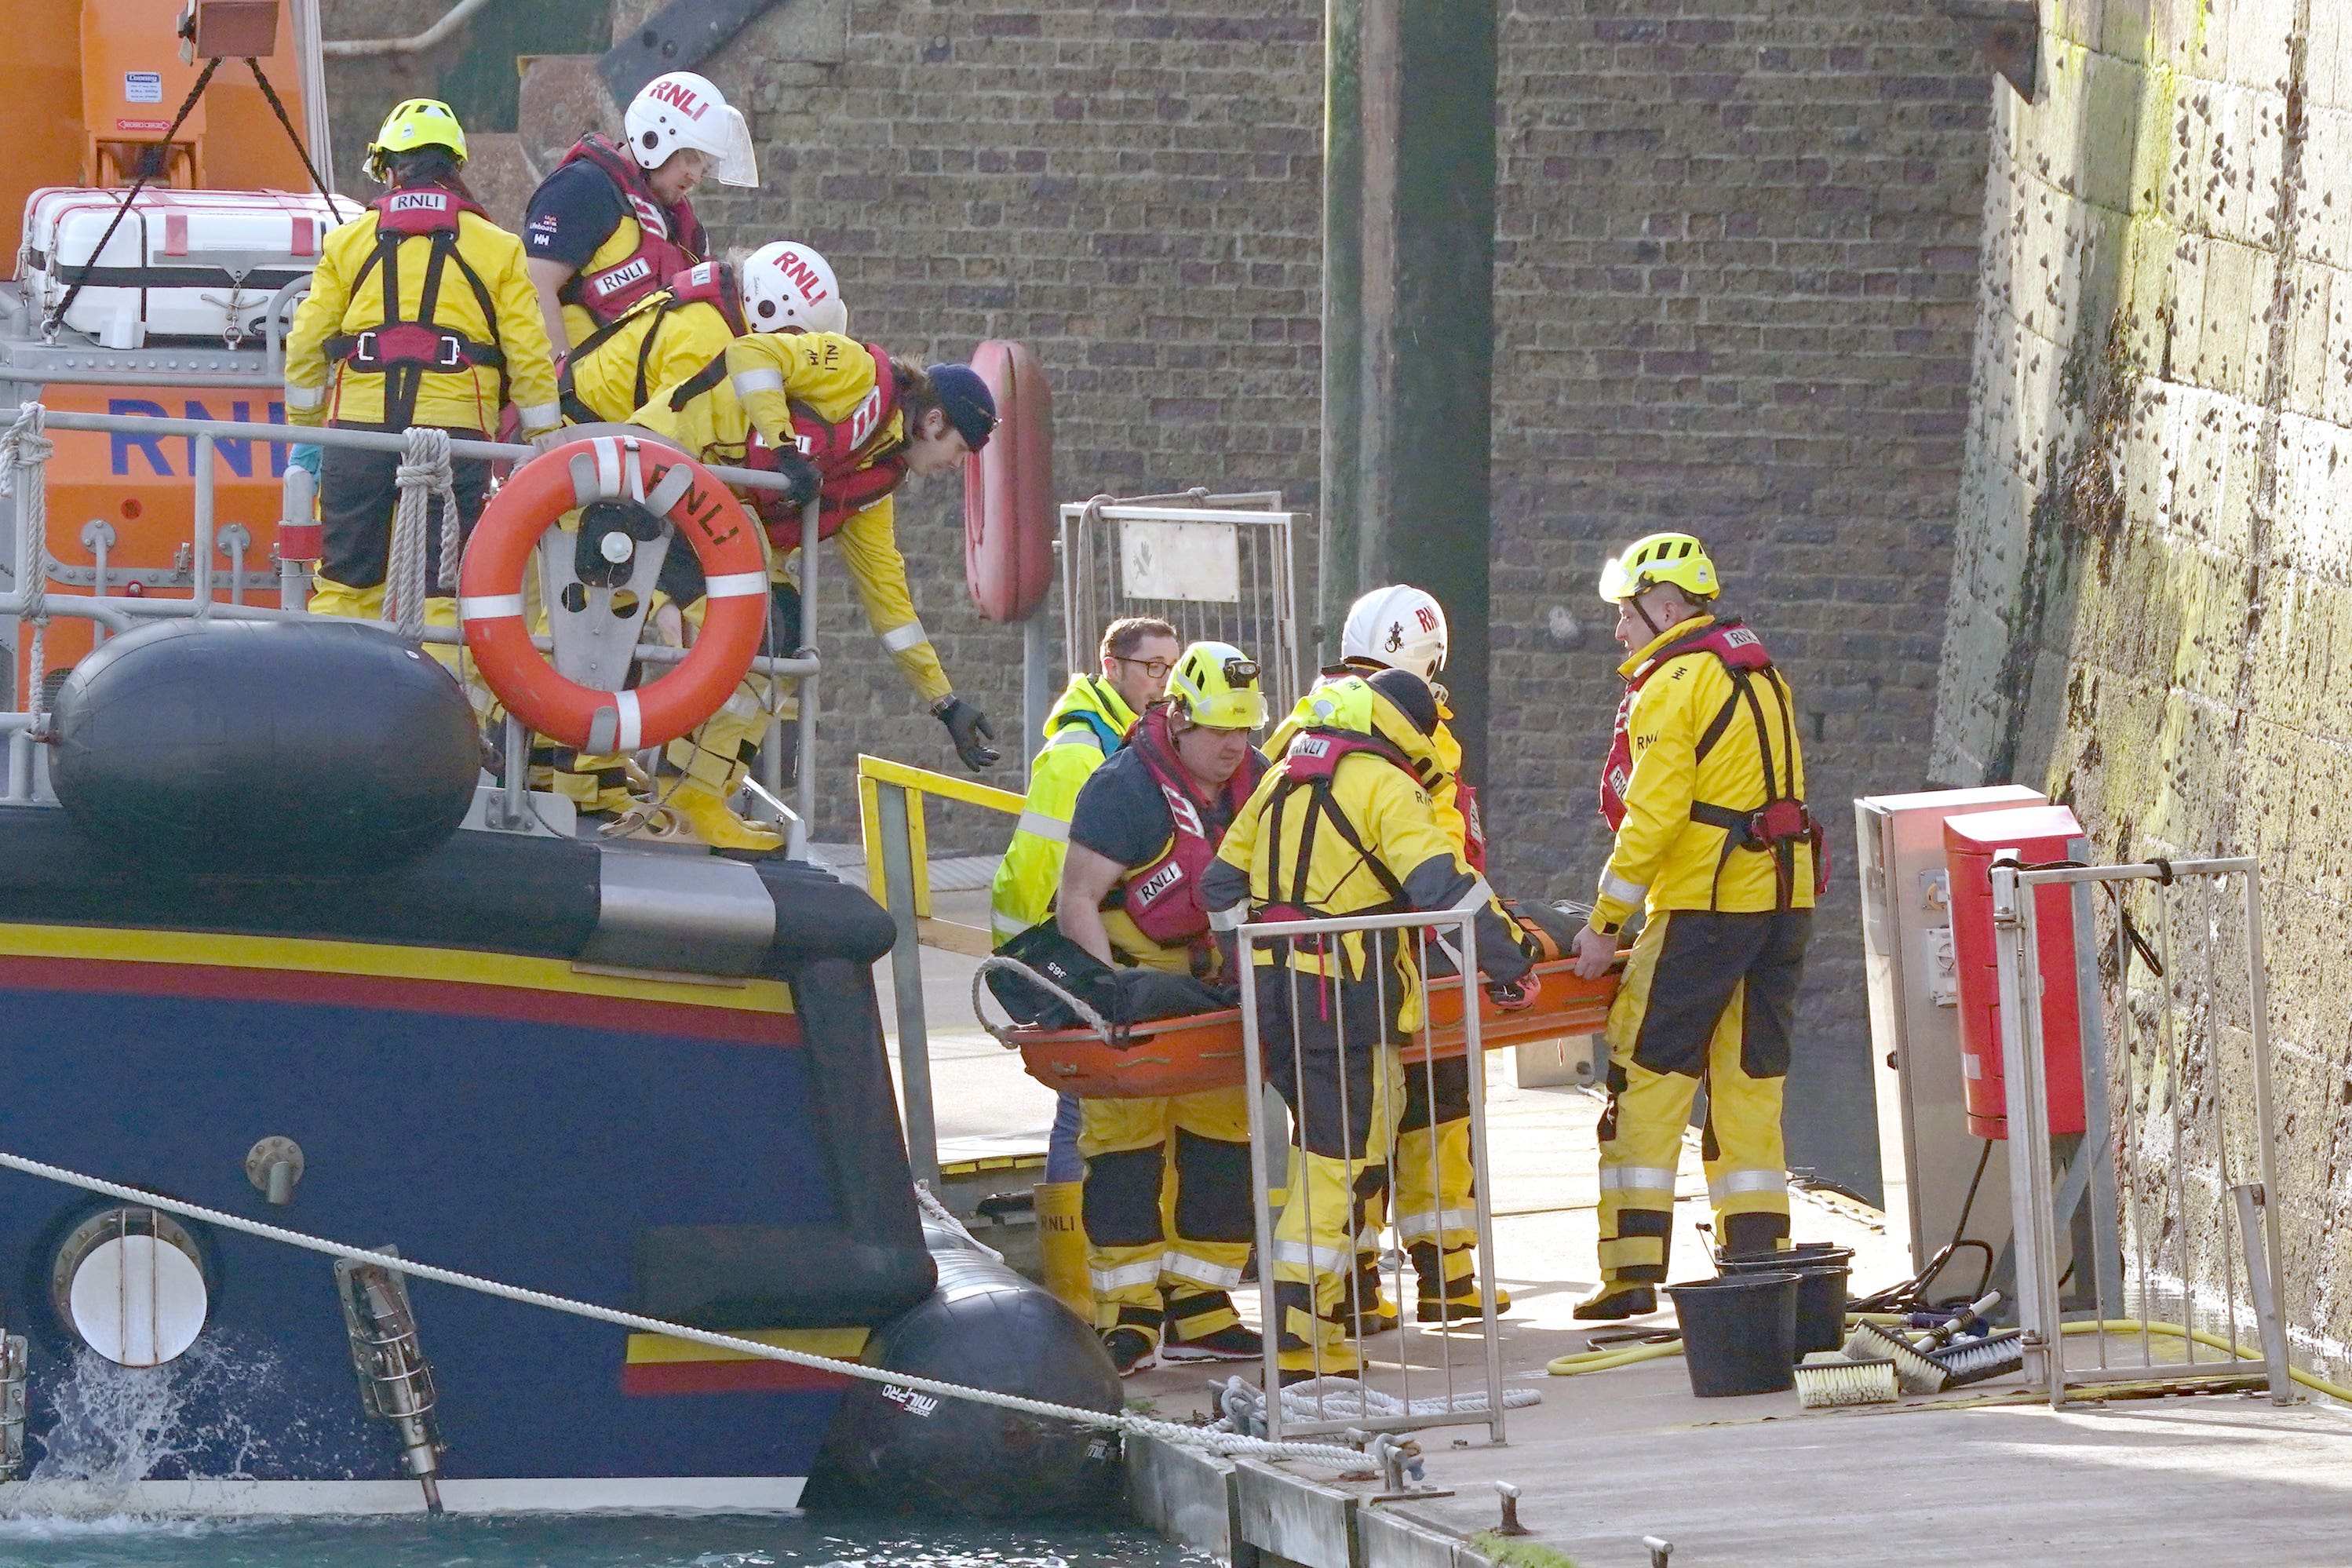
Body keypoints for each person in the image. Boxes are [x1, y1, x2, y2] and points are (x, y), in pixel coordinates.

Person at [1200, 669, 1538, 1383]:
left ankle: (1308, 1322)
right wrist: (1509, 963)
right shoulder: (1385, 785)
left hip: (1278, 998)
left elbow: (1219, 887)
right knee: (1342, 1159)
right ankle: (1295, 1333)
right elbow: (1445, 889)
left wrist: (1253, 952)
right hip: (1348, 999)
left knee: (1324, 1150)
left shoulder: (1282, 777)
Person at [1566, 532, 1821, 1320]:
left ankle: (1631, 1272)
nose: (1619, 632)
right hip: (1783, 904)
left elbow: (1653, 821)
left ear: (1666, 608)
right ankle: (1755, 1262)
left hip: (1705, 909)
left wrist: (1606, 922)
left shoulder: (1671, 684)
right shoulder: (1759, 670)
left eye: (1627, 614)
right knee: (1749, 1086)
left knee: (1648, 1077)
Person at [627, 331, 1000, 847]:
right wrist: (782, 447)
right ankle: (684, 792)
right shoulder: (855, 373)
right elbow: (747, 353)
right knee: (754, 635)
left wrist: (944, 702)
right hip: (668, 464)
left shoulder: (875, 479)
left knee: (789, 638)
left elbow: (888, 600)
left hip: (722, 514)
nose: (955, 466)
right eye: (960, 450)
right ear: (934, 421)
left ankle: (700, 793)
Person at [534, 242, 850, 819]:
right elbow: (683, 450)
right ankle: (574, 775)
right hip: (590, 464)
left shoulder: (715, 318)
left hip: (599, 457)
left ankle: (574, 766)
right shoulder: (707, 340)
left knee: (590, 613)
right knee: (594, 612)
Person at [1264, 585, 1502, 1330]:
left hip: (1338, 951)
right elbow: (1437, 849)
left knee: (1356, 1124)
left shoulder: (1301, 728)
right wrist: (1497, 942)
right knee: (1423, 1112)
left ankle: (1360, 1285)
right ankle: (1438, 1276)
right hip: (1400, 944)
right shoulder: (1411, 732)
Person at [1052, 642, 1272, 1375]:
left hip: (1214, 989)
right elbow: (1077, 898)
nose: (1230, 746)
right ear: (1177, 719)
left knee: (1222, 1142)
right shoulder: (1123, 788)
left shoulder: (1257, 780)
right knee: (1125, 1151)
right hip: (1138, 987)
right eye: (1216, 732)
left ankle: (1202, 1306)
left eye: (1241, 732)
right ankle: (1132, 1313)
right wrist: (1106, 998)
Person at [283, 100, 560, 679]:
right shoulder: (499, 247)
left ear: (389, 169)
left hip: (357, 439)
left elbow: (306, 345)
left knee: (344, 586)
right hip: (453, 442)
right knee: (442, 597)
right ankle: (434, 726)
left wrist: (307, 435)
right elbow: (531, 360)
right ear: (454, 166)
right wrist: (543, 442)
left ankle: (336, 713)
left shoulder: (348, 242)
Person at [522, 71, 757, 353]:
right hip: (584, 388)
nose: (695, 176)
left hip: (651, 390)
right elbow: (533, 285)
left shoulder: (683, 228)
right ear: (654, 138)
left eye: (704, 167)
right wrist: (558, 389)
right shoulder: (585, 187)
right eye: (692, 158)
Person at [988, 616, 1182, 948]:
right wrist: (1030, 955)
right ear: (1113, 668)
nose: (1166, 682)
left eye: (1174, 668)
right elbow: (1040, 868)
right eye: (1153, 667)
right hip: (1053, 939)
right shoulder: (1079, 756)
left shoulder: (1131, 738)